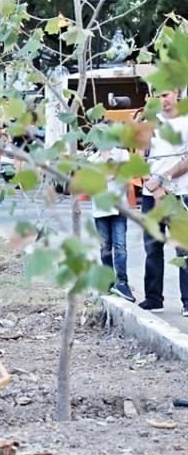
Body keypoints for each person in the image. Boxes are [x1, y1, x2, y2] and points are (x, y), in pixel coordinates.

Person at [139, 88, 188, 315]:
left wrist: (164, 178)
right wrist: (152, 185)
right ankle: (153, 297)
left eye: (166, 94)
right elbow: (140, 157)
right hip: (151, 195)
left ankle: (187, 300)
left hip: (179, 193)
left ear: (176, 93)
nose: (162, 100)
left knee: (183, 249)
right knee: (152, 247)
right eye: (157, 95)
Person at [88, 140, 135, 302]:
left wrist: (108, 160)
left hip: (119, 208)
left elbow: (124, 178)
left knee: (120, 246)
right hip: (100, 208)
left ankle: (122, 282)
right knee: (105, 246)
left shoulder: (122, 154)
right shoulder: (92, 159)